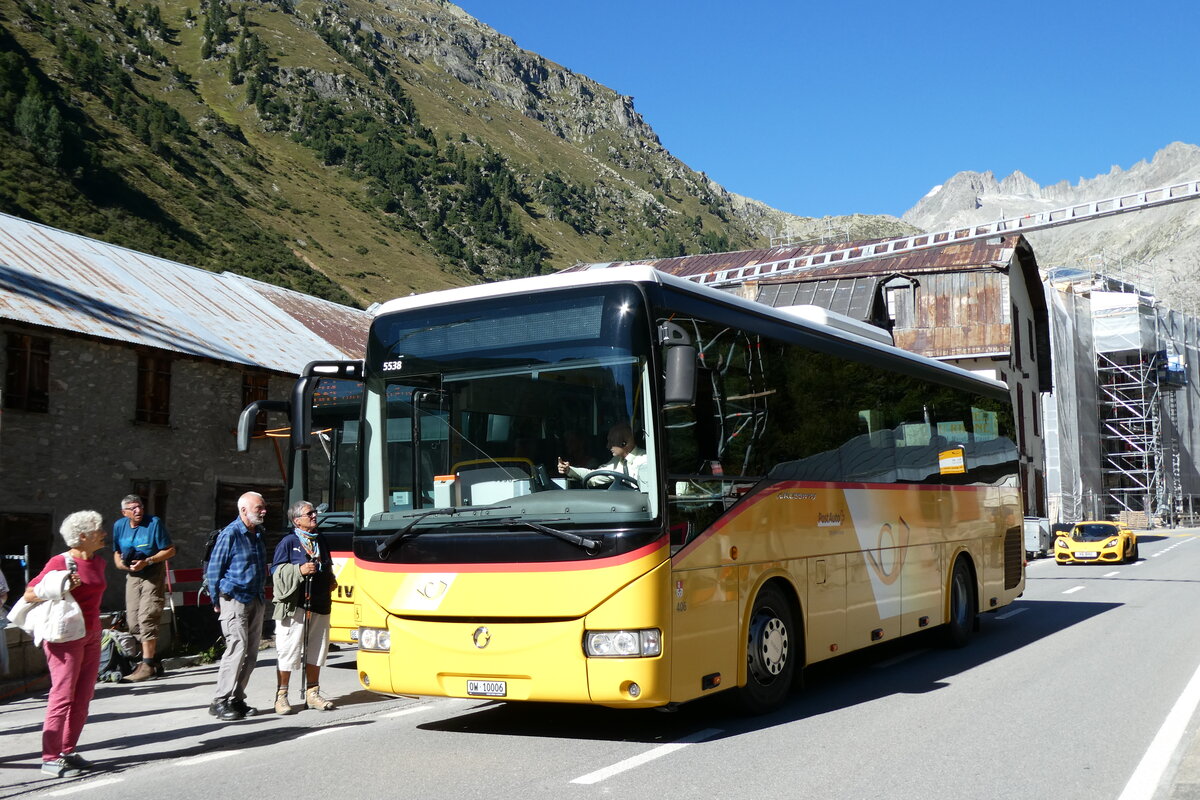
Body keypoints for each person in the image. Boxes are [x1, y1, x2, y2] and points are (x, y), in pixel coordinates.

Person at [23, 510, 107, 778]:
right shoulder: (60, 562)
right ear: (82, 537)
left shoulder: (99, 562)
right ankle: (50, 757)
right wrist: (60, 584)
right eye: (99, 529)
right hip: (65, 638)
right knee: (62, 696)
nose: (104, 533)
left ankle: (68, 751)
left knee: (83, 697)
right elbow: (29, 593)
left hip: (92, 634)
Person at [205, 491, 268, 722]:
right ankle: (219, 701)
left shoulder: (259, 533)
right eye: (259, 507)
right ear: (243, 510)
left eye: (264, 507)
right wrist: (216, 600)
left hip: (256, 598)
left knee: (251, 653)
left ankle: (237, 699)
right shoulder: (230, 534)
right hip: (234, 599)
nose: (264, 511)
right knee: (237, 648)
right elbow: (214, 570)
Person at [271, 500, 338, 714]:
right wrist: (299, 570)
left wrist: (330, 578)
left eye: (315, 512)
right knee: (288, 650)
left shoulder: (321, 541)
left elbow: (326, 565)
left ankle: (313, 694)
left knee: (317, 649)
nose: (314, 516)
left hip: (319, 603)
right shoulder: (288, 542)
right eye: (310, 513)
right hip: (295, 605)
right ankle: (281, 696)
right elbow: (276, 572)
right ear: (296, 520)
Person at [111, 495, 175, 681]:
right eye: (132, 508)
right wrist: (122, 565)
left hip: (152, 573)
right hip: (132, 575)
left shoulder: (154, 523)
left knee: (147, 615)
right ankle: (152, 661)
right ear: (124, 513)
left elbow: (170, 550)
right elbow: (116, 552)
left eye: (139, 506)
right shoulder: (119, 526)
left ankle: (146, 665)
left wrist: (148, 560)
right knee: (133, 621)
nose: (138, 510)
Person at [558, 421, 650, 488]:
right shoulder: (616, 462)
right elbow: (594, 476)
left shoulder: (646, 460)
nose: (607, 446)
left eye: (611, 442)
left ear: (624, 443)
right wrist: (569, 470)